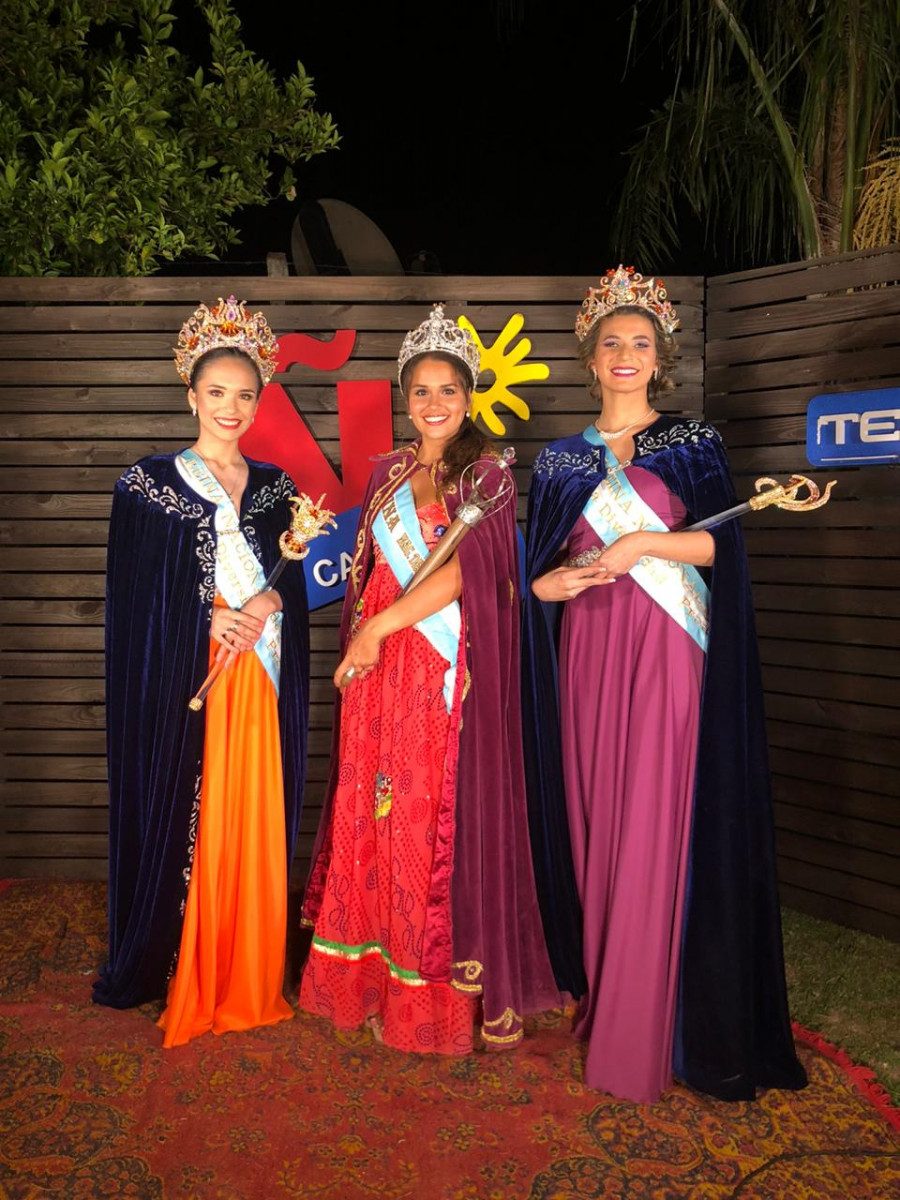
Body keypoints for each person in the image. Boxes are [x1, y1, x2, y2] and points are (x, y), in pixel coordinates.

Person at [522, 266, 807, 1103]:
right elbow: (536, 577)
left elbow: (726, 550)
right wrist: (558, 584)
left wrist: (644, 546)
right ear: (589, 352)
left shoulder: (692, 445)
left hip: (667, 647)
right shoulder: (560, 461)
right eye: (611, 340)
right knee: (594, 821)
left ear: (660, 357)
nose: (625, 354)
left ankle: (645, 1028)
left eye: (640, 342)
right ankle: (609, 991)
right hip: (588, 652)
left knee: (652, 819)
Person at [299, 305, 558, 1052]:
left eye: (449, 390)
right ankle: (368, 979)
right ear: (404, 398)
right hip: (377, 674)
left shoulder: (488, 477)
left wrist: (380, 628)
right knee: (368, 812)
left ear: (468, 399)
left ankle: (426, 995)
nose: (435, 404)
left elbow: (467, 582)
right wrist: (365, 635)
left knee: (422, 819)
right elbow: (370, 572)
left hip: (440, 669)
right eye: (421, 391)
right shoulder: (385, 471)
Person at [93, 296, 309, 1048]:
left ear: (260, 402)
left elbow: (292, 586)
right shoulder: (148, 485)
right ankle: (186, 957)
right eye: (216, 393)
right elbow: (132, 603)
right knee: (201, 804)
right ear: (190, 394)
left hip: (259, 671)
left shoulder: (279, 488)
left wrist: (270, 606)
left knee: (253, 807)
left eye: (244, 395)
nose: (230, 408)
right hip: (194, 678)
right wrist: (201, 619)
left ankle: (249, 966)